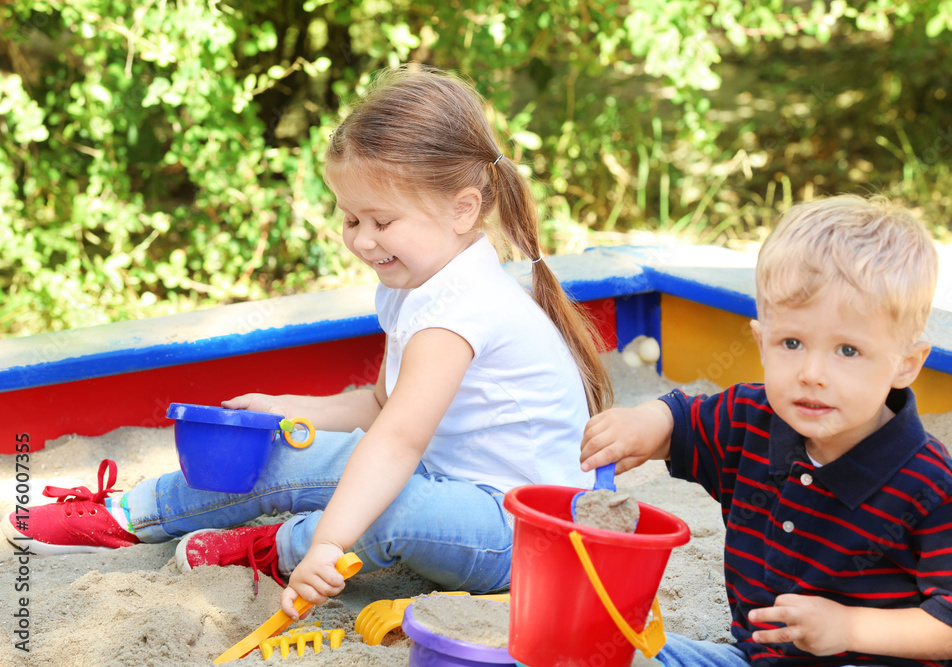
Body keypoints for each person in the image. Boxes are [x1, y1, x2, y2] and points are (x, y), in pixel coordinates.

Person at [4, 65, 613, 620]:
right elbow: (381, 408)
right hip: (443, 477)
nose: (363, 241)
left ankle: (280, 546)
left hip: (519, 531)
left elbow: (396, 441)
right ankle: (131, 515)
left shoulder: (462, 308)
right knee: (285, 451)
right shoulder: (420, 282)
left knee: (387, 506)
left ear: (462, 210)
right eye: (351, 220)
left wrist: (327, 544)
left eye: (382, 221)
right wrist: (292, 410)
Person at [580, 195, 952, 667]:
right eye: (792, 343)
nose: (812, 373)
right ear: (762, 342)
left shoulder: (935, 490)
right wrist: (644, 423)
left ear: (905, 364)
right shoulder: (749, 418)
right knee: (608, 647)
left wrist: (849, 627)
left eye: (847, 351)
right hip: (757, 660)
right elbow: (682, 424)